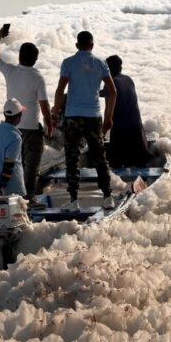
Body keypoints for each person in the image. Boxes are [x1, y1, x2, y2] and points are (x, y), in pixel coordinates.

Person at [52, 31, 116, 210]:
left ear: (77, 45)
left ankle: (73, 200)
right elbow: (113, 91)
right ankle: (107, 196)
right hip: (94, 116)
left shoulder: (68, 63)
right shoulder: (101, 64)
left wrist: (55, 112)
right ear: (92, 45)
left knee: (72, 158)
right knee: (99, 156)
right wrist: (109, 116)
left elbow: (59, 90)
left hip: (73, 116)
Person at [0, 26, 52, 199]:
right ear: (36, 59)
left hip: (12, 128)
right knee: (31, 168)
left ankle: (14, 198)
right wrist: (49, 125)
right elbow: (44, 105)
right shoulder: (37, 77)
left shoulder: (10, 71)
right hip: (32, 130)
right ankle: (30, 200)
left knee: (15, 166)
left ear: (19, 57)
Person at [102, 55, 152, 167]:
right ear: (120, 68)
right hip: (137, 130)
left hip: (121, 131)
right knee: (142, 164)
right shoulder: (129, 80)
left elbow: (107, 113)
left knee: (116, 164)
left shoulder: (109, 85)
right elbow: (117, 92)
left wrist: (102, 134)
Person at [0, 99, 27, 198]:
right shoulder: (15, 137)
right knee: (17, 214)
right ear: (19, 117)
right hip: (13, 189)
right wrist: (3, 188)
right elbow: (9, 165)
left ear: (4, 114)